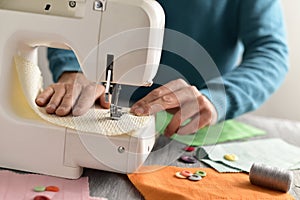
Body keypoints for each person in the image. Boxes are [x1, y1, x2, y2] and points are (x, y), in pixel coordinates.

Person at [35, 0, 288, 138]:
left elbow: (270, 53)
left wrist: (217, 98)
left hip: (191, 122)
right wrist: (72, 70)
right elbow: (69, 13)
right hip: (95, 104)